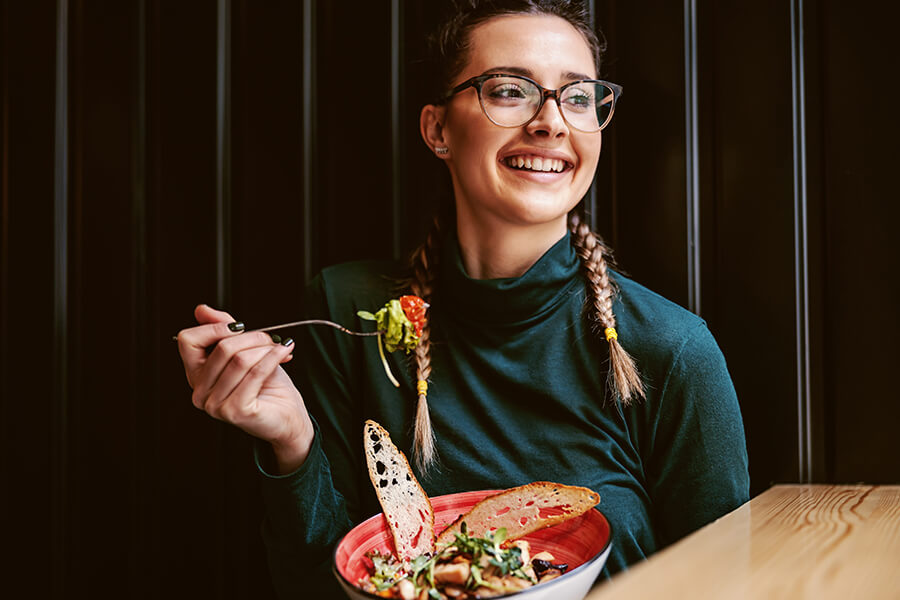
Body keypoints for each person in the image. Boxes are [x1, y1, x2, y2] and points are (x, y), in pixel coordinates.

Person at [176, 1, 749, 597]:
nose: (552, 122)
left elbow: (727, 586)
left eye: (578, 97)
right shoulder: (348, 310)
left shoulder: (671, 347)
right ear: (438, 130)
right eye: (510, 90)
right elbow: (316, 583)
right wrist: (292, 443)